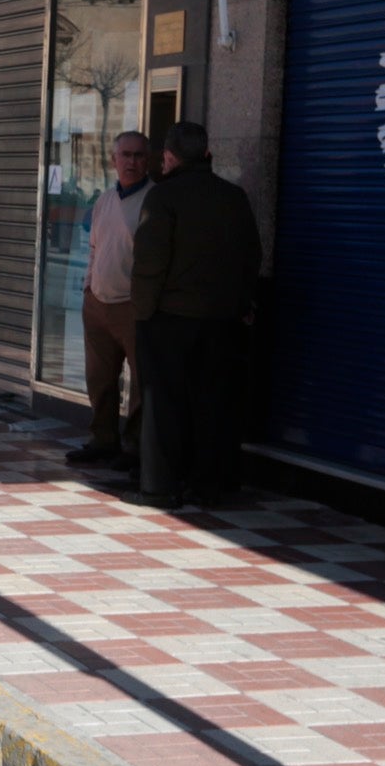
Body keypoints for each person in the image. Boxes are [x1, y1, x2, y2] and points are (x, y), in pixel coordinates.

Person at [126, 121, 262, 510]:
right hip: (223, 322)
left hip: (169, 319)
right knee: (214, 404)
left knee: (162, 403)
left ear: (168, 157)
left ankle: (159, 487)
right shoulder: (234, 197)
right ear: (206, 154)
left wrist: (143, 313)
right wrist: (241, 305)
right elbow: (251, 255)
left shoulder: (163, 197)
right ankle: (209, 487)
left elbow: (150, 264)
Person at [66, 131, 151, 471]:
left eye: (139, 155)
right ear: (114, 160)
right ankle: (102, 439)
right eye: (125, 155)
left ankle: (134, 448)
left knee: (141, 384)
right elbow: (95, 249)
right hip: (98, 303)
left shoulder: (153, 201)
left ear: (150, 159)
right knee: (99, 379)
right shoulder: (104, 200)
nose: (131, 162)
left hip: (132, 305)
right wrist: (89, 288)